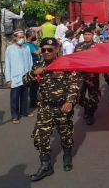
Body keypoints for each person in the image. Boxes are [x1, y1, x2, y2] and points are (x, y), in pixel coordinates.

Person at [22, 37, 82, 182]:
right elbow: (24, 81)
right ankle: (46, 165)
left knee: (66, 135)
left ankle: (67, 156)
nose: (47, 52)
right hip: (45, 109)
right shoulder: (38, 65)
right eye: (44, 50)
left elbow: (75, 83)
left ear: (57, 50)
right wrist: (34, 73)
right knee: (39, 137)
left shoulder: (66, 64)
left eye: (50, 49)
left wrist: (70, 101)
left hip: (63, 108)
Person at [5, 29, 33, 124]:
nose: (21, 39)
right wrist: (8, 79)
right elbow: (7, 65)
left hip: (25, 76)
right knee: (14, 98)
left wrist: (31, 74)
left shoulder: (26, 48)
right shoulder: (10, 49)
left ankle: (24, 112)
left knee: (25, 96)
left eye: (22, 37)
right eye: (19, 37)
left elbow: (30, 62)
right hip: (15, 77)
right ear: (15, 38)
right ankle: (15, 116)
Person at [74, 27, 100, 125]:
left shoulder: (97, 46)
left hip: (92, 76)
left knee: (94, 96)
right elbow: (74, 59)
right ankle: (87, 107)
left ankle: (91, 114)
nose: (87, 36)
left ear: (92, 35)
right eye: (85, 34)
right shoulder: (78, 46)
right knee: (79, 97)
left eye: (89, 34)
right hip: (80, 75)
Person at [25, 29, 42, 108]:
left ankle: (36, 99)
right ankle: (33, 102)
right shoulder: (28, 45)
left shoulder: (32, 44)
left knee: (37, 84)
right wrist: (43, 46)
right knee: (34, 85)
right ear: (30, 36)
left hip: (38, 64)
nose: (35, 36)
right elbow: (37, 52)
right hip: (33, 65)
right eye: (34, 34)